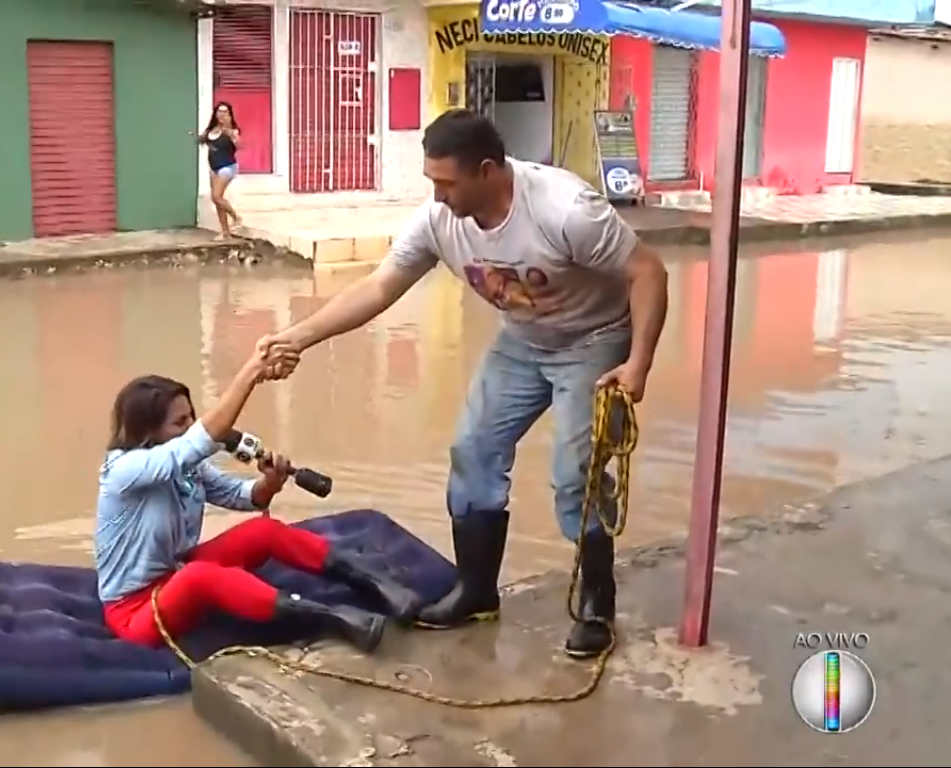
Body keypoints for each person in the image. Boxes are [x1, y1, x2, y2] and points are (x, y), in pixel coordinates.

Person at [255, 109, 669, 659]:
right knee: (472, 449)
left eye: (447, 183)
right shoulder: (438, 220)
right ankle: (476, 592)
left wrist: (638, 363)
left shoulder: (566, 211)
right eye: (432, 182)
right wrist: (297, 337)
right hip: (523, 341)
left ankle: (597, 602)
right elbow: (380, 287)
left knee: (576, 474)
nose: (439, 195)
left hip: (594, 339)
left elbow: (648, 273)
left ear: (489, 171)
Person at [94, 354, 423, 654]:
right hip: (134, 610)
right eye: (180, 423)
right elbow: (198, 442)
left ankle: (378, 585)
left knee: (261, 531)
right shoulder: (124, 471)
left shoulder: (188, 468)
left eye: (190, 417)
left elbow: (240, 496)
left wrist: (269, 484)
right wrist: (251, 372)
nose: (190, 426)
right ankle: (334, 619)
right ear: (150, 433)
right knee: (199, 576)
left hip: (171, 572)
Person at [198, 101, 244, 240]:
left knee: (216, 196)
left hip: (227, 166)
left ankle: (237, 218)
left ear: (230, 115)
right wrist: (201, 138)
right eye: (220, 111)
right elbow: (202, 140)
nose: (222, 114)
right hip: (214, 168)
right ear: (216, 113)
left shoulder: (232, 131)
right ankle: (225, 232)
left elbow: (240, 145)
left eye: (225, 112)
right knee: (218, 201)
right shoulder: (211, 130)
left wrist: (232, 135)